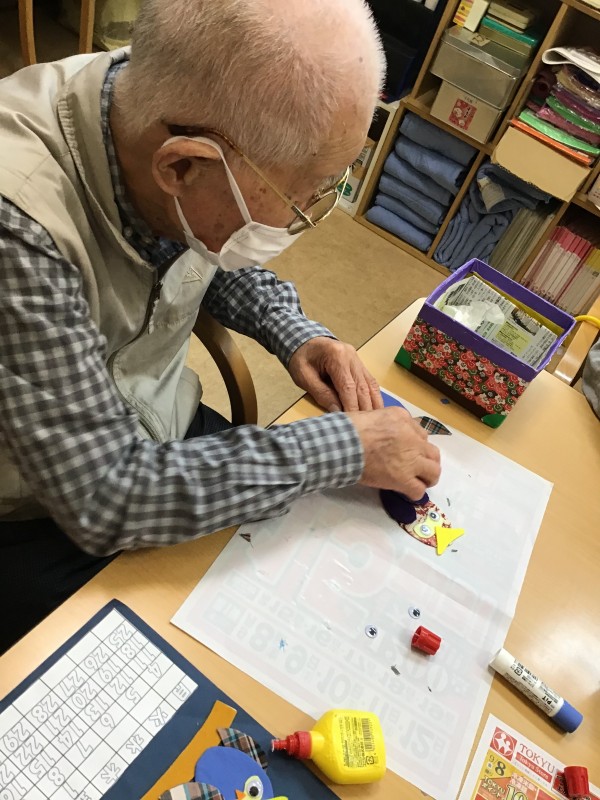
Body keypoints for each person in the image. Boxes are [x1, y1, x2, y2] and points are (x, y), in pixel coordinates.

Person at [0, 0, 441, 652]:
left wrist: (295, 332)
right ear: (181, 166)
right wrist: (346, 449)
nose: (303, 217)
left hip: (154, 429)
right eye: (300, 198)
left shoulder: (157, 109)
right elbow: (107, 497)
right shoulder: (17, 224)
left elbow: (208, 244)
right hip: (41, 507)